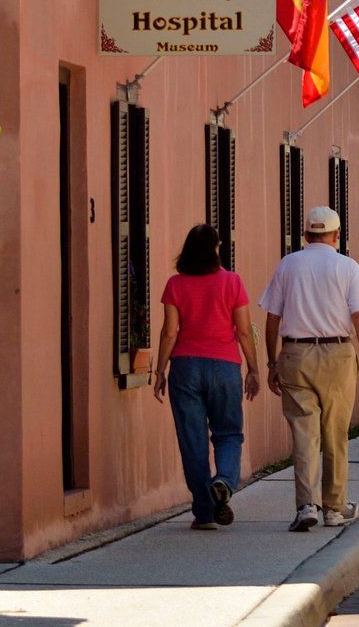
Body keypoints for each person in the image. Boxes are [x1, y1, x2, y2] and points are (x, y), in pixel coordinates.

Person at [261, 206, 359, 532]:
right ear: (337, 235)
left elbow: (272, 318)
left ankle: (306, 505)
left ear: (305, 235)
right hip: (338, 353)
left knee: (304, 434)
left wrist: (273, 362)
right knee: (335, 434)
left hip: (295, 354)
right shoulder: (347, 267)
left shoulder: (289, 265)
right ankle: (335, 507)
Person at [153, 223, 259, 530]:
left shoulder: (176, 284)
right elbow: (242, 330)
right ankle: (224, 480)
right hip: (224, 367)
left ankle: (204, 511)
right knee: (228, 433)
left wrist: (160, 370)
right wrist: (253, 368)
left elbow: (170, 331)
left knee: (192, 441)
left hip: (185, 368)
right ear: (215, 249)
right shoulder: (232, 282)